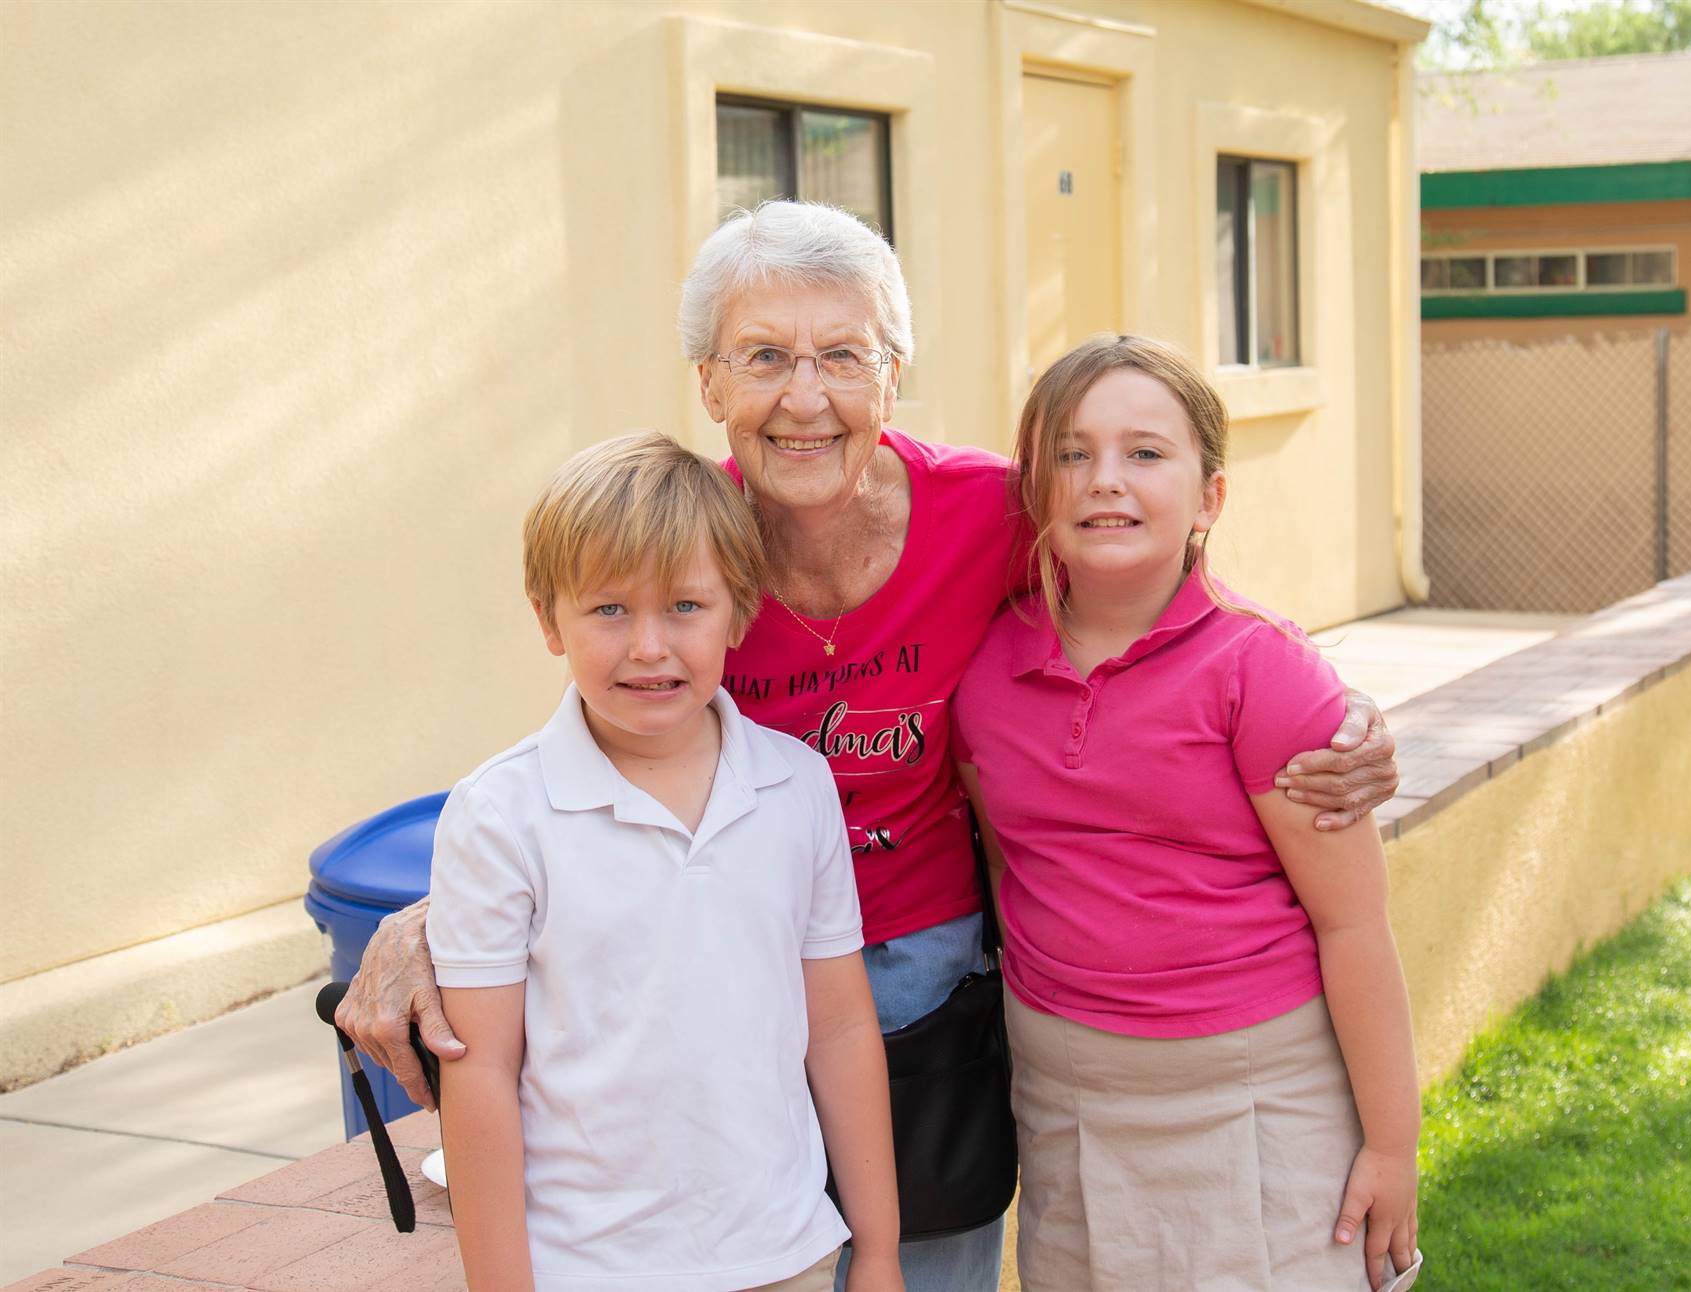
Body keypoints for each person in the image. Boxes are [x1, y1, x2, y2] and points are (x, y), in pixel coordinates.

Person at [336, 200, 1405, 1292]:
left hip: (921, 977)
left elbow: (1163, 588)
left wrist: (1341, 710)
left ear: (894, 374)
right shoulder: (677, 546)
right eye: (763, 357)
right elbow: (591, 746)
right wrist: (435, 918)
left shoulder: (991, 512)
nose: (806, 396)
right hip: (715, 966)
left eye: (842, 355)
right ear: (708, 384)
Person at [951, 335, 1422, 1292]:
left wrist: (1393, 1145)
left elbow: (1353, 921)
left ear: (1209, 496)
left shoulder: (1260, 670)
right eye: (1071, 455)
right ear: (1035, 490)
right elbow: (1014, 866)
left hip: (1252, 1099)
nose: (1103, 481)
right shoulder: (986, 669)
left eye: (1145, 453)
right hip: (1066, 1098)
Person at [429, 433, 902, 1292]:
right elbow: (483, 1073)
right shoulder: (500, 814)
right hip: (590, 1268)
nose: (649, 646)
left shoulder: (796, 787)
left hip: (784, 1250)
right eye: (609, 610)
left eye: (685, 606)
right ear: (548, 620)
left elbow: (837, 1029)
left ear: (739, 612)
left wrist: (876, 1249)